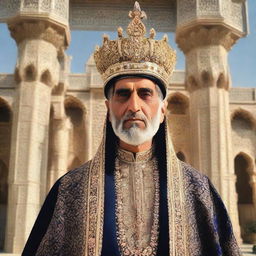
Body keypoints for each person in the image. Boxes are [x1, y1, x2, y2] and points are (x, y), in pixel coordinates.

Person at [22, 2, 241, 256]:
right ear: (108, 107)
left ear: (162, 110)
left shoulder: (197, 189)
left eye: (145, 94)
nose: (133, 106)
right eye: (123, 94)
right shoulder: (71, 190)